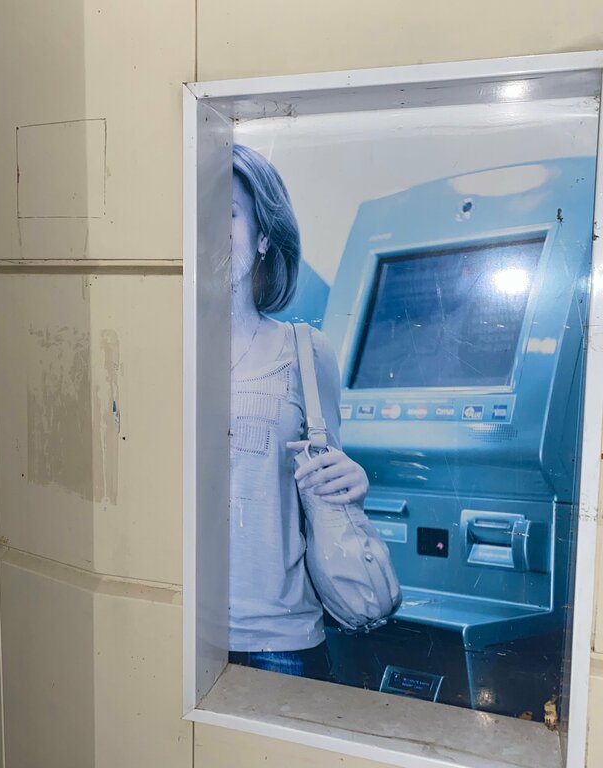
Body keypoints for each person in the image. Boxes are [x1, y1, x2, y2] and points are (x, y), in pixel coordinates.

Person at [227, 144, 375, 680]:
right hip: (172, 628)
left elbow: (324, 477)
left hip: (279, 643)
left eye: (228, 215)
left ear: (263, 236)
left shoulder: (306, 353)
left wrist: (352, 479)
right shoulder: (157, 350)